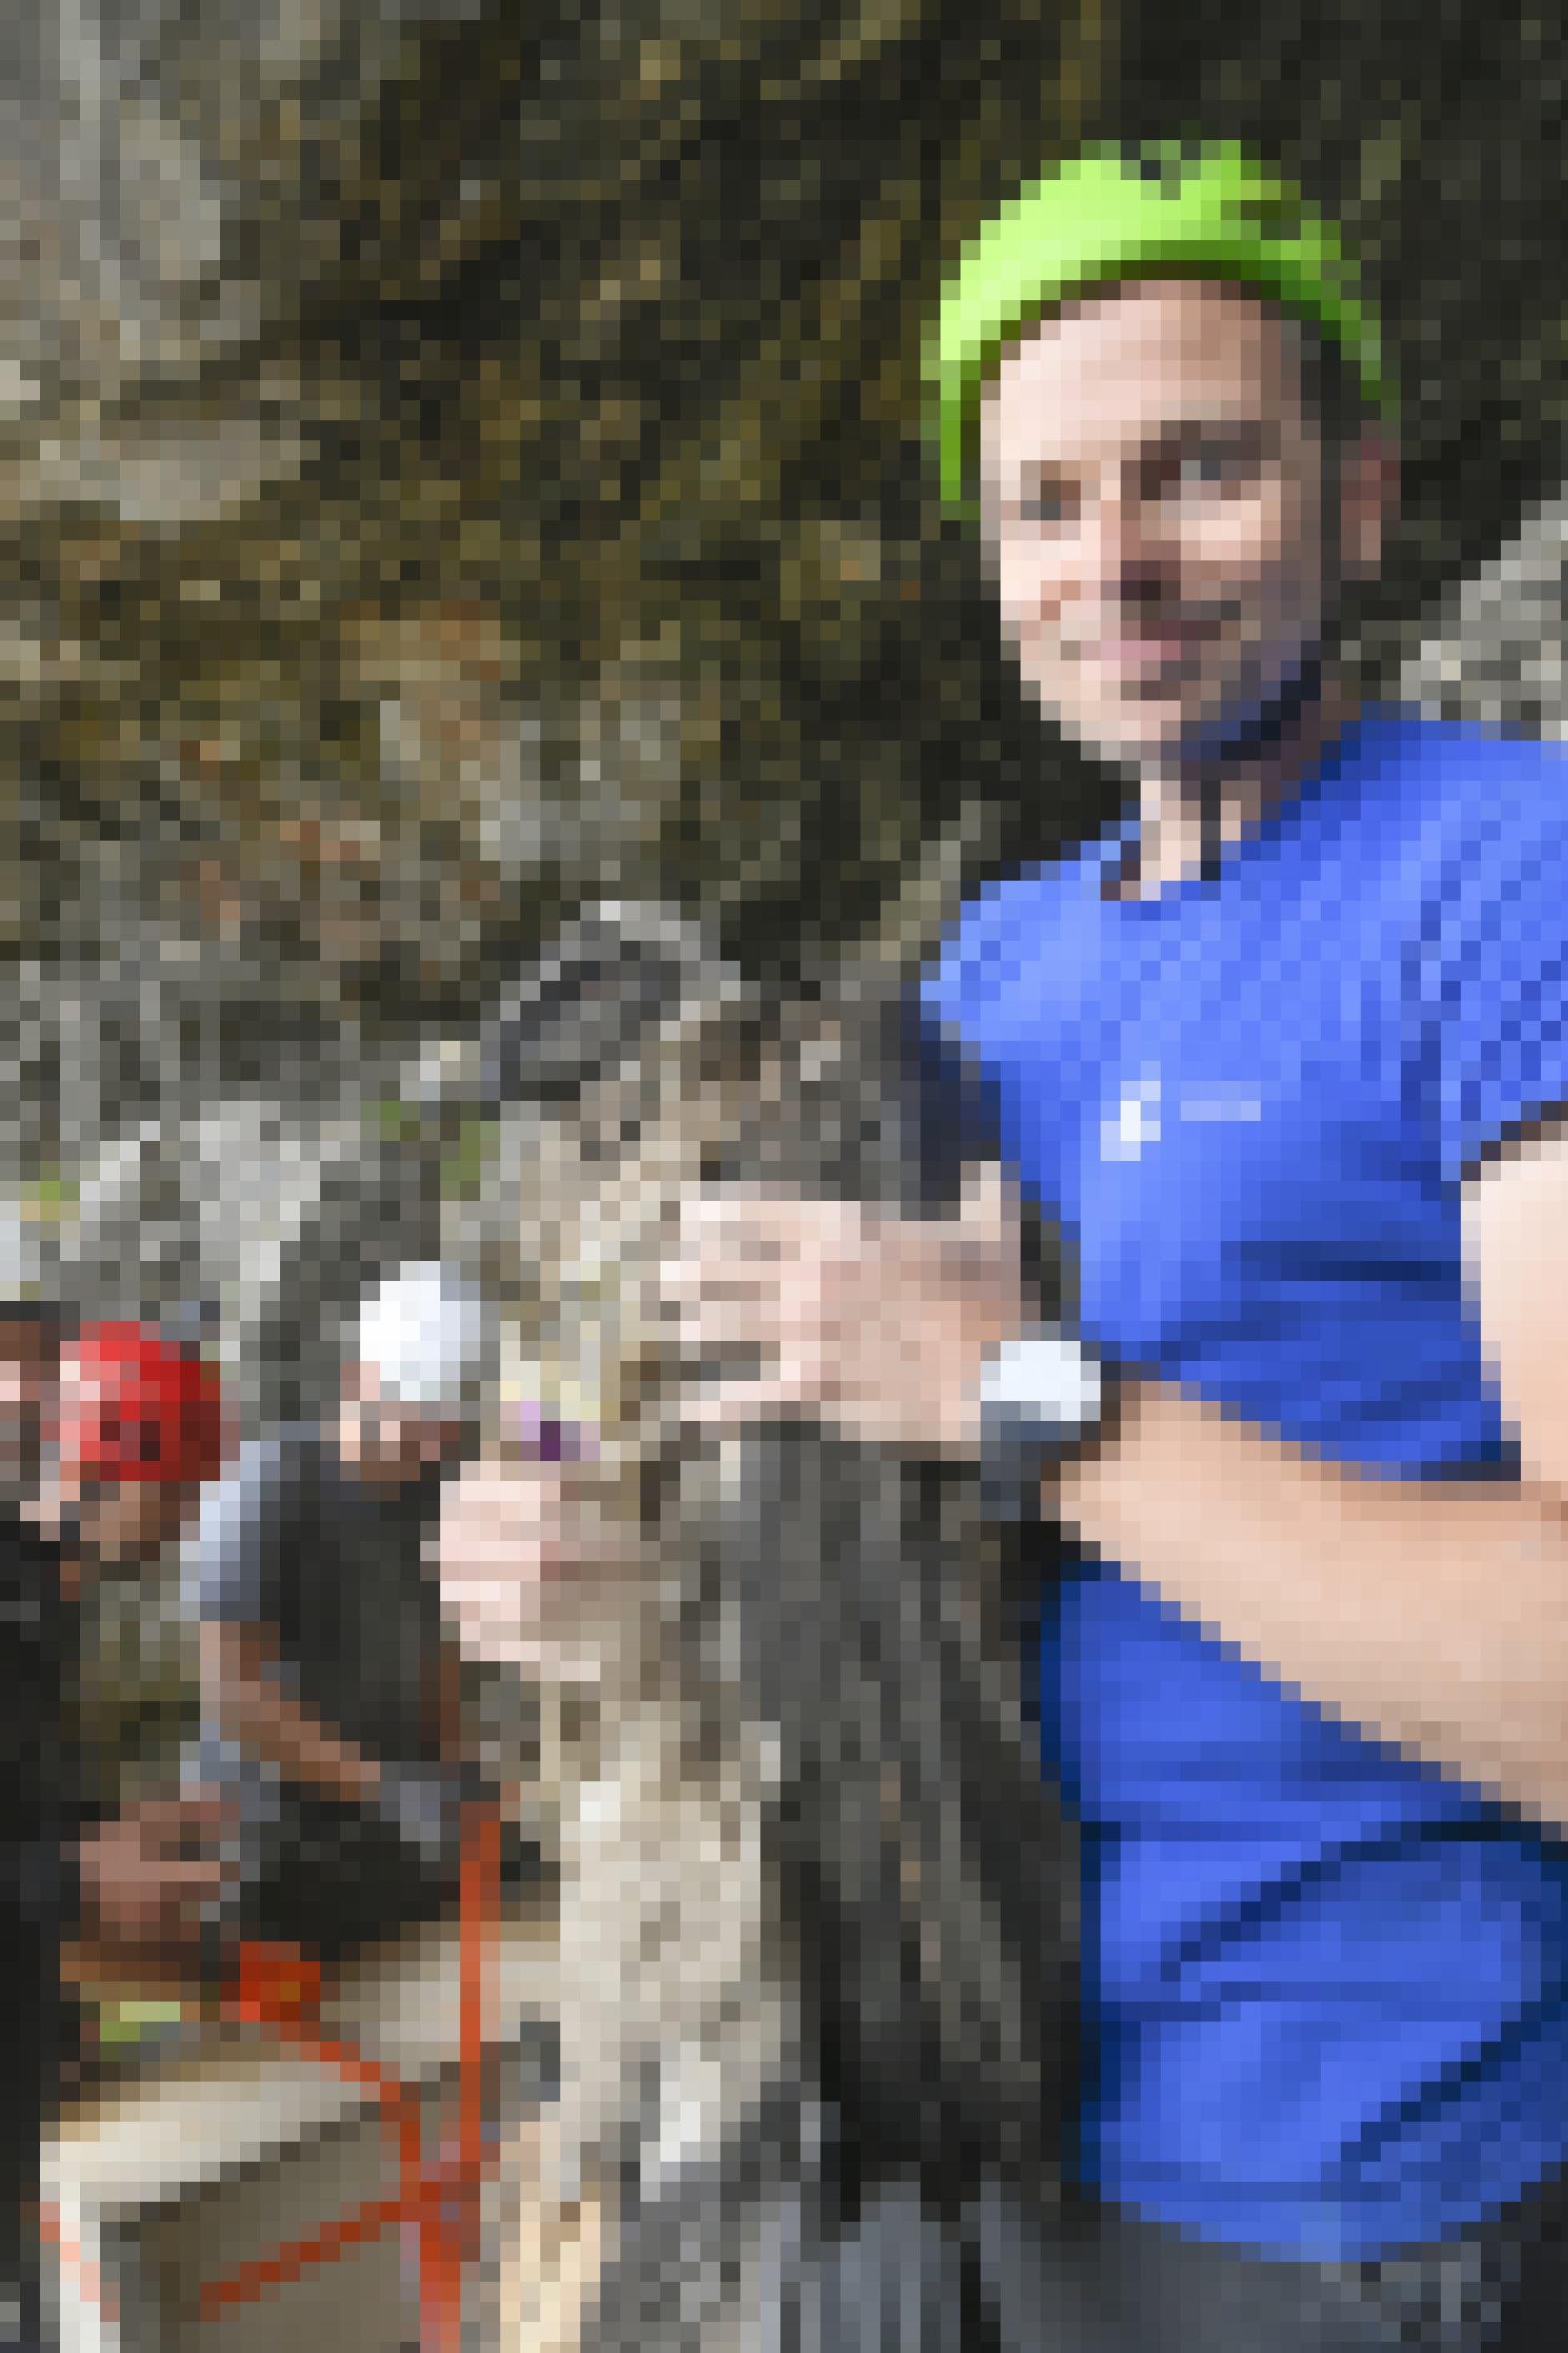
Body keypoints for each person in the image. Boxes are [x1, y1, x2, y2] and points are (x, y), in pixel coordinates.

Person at [662, 143, 1568, 2350]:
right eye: (1042, 505)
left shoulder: (1497, 874)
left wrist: (1030, 1394)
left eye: (1196, 472)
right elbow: (908, 1520)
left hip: (1340, 2158)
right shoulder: (987, 966)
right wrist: (622, 1611)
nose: (1113, 565)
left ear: (1355, 497)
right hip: (965, 2092)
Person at [188, 1260, 495, 1962]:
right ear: (359, 1380)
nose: (432, 1448)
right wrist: (386, 1785)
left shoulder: (436, 1493)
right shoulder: (266, 1488)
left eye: (445, 1430)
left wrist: (453, 1765)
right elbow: (232, 1691)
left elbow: (439, 1646)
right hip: (267, 1848)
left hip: (380, 1832)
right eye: (416, 1423)